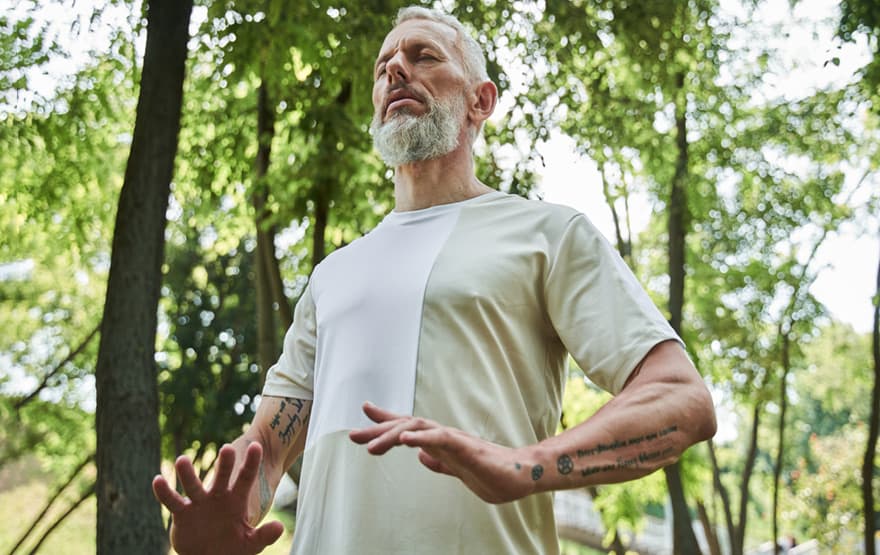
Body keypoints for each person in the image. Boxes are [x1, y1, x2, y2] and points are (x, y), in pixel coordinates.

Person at [152, 6, 717, 554]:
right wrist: (220, 521)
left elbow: (680, 399)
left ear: (481, 100)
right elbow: (267, 452)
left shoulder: (548, 234)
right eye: (383, 66)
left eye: (424, 56)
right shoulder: (332, 276)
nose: (396, 69)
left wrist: (530, 466)